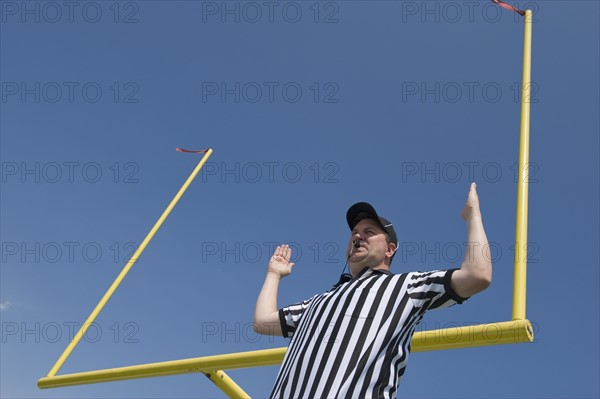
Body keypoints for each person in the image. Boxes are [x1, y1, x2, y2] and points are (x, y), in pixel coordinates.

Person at [254, 182, 492, 399]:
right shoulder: (317, 303)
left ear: (389, 249)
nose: (358, 235)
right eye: (354, 232)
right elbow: (263, 322)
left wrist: (474, 216)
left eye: (369, 232)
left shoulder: (406, 287)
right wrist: (274, 274)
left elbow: (477, 275)